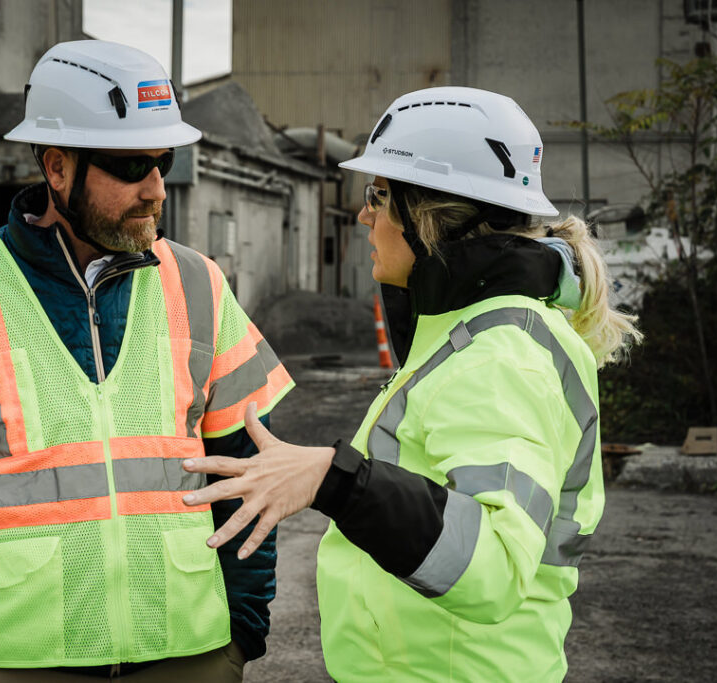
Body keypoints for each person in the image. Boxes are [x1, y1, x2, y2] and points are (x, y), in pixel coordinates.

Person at [0, 40, 293, 683]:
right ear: (57, 168)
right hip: (11, 663)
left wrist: (240, 636)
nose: (156, 189)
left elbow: (252, 471)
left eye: (163, 162)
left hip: (189, 655)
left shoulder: (200, 284)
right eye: (132, 165)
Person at [183, 86, 642, 681]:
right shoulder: (477, 332)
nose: (363, 215)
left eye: (379, 195)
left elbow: (494, 566)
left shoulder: (499, 356)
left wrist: (334, 479)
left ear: (429, 215)